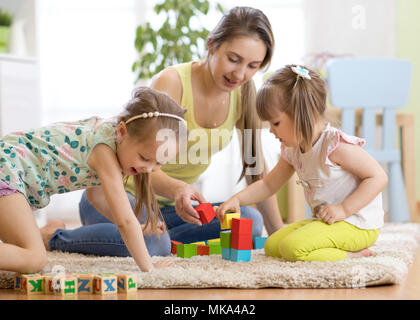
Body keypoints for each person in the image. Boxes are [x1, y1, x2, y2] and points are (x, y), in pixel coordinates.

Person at [0, 86, 185, 273]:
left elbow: (97, 198)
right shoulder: (104, 150)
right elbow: (124, 221)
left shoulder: (110, 136)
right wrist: (150, 269)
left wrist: (139, 227)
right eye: (144, 158)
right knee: (34, 259)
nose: (149, 168)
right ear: (122, 132)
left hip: (10, 171)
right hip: (7, 169)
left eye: (159, 163)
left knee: (20, 254)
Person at [217, 65, 388, 262]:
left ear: (305, 114)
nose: (271, 131)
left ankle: (353, 255)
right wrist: (237, 199)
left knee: (292, 249)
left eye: (276, 123)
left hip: (358, 224)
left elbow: (378, 177)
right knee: (273, 245)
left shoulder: (335, 146)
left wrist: (344, 209)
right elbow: (267, 184)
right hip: (329, 222)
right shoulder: (292, 150)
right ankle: (331, 249)